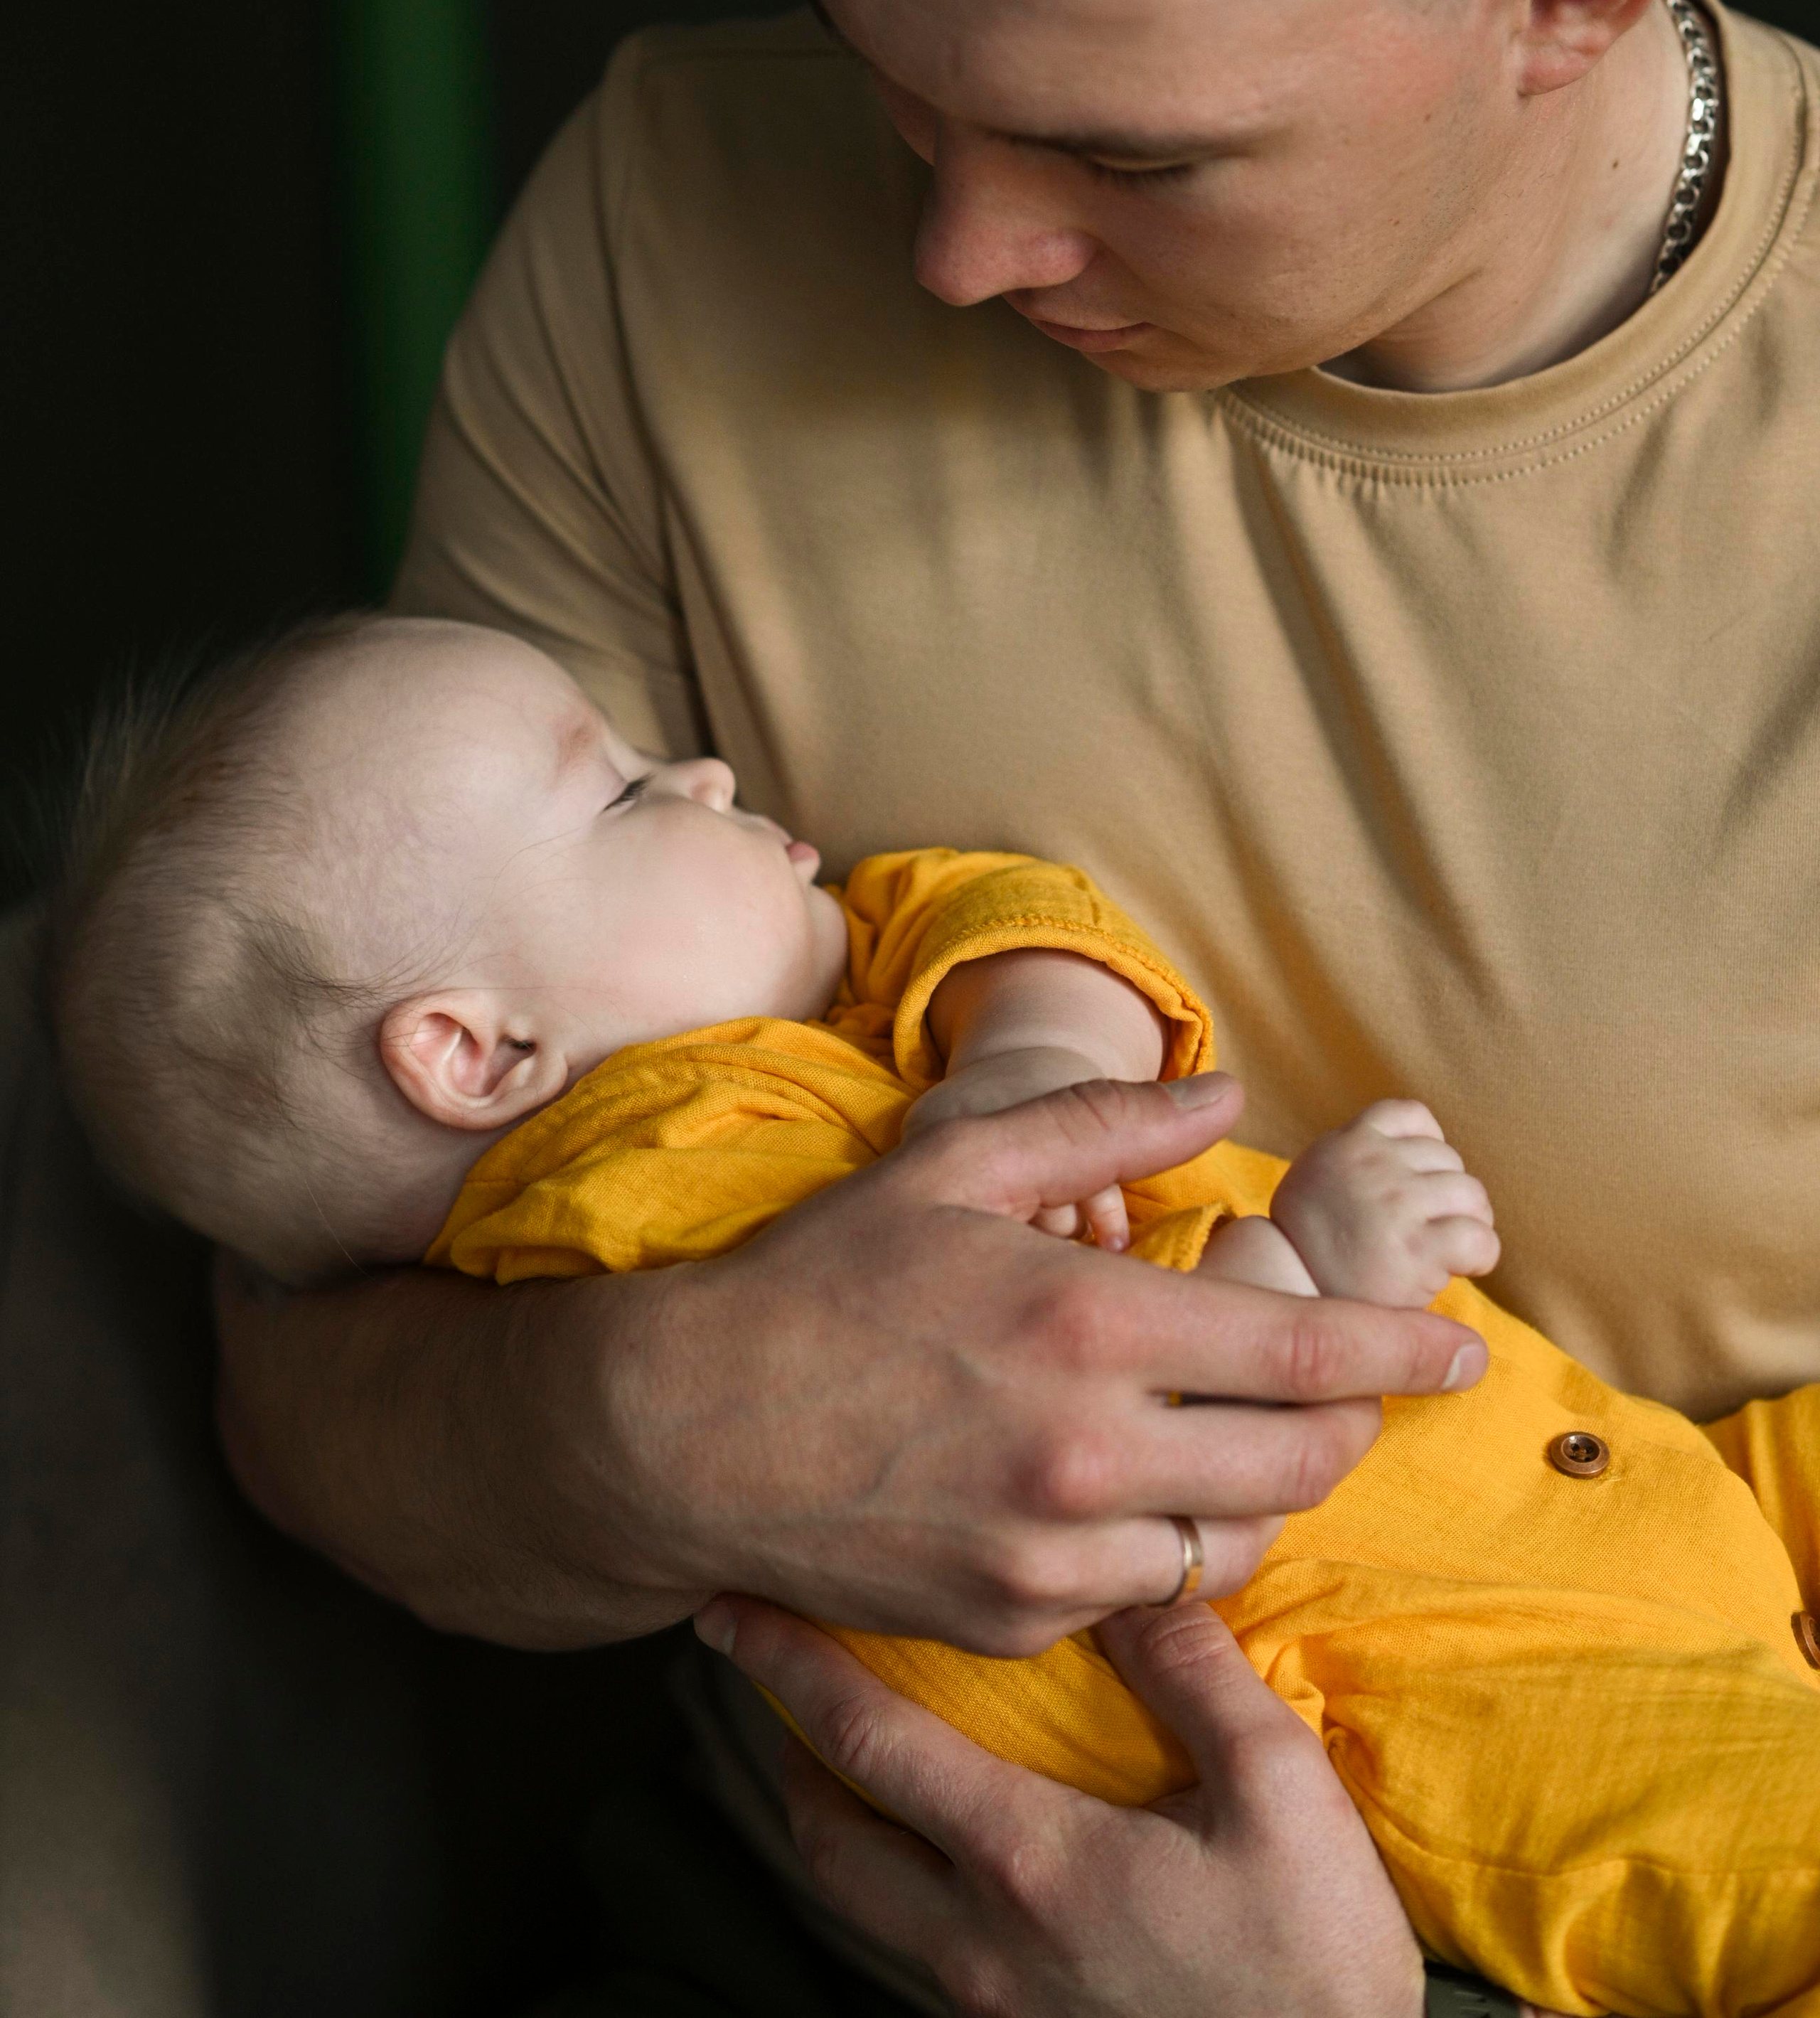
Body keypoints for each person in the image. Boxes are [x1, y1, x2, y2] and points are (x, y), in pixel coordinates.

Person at [210, 0, 1820, 2007]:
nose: (955, 250)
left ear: (1566, 4)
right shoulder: (660, 216)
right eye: (891, 73)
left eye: (1126, 151)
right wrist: (652, 1417)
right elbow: (307, 1348)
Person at [48, 612, 1820, 2013]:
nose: (709, 767)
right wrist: (1311, 1269)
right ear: (477, 1053)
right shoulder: (653, 1217)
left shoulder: (803, 1016)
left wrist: (1033, 1054)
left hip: (1637, 1503)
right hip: (1430, 1693)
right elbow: (1111, 1451)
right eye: (621, 793)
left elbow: (991, 900)